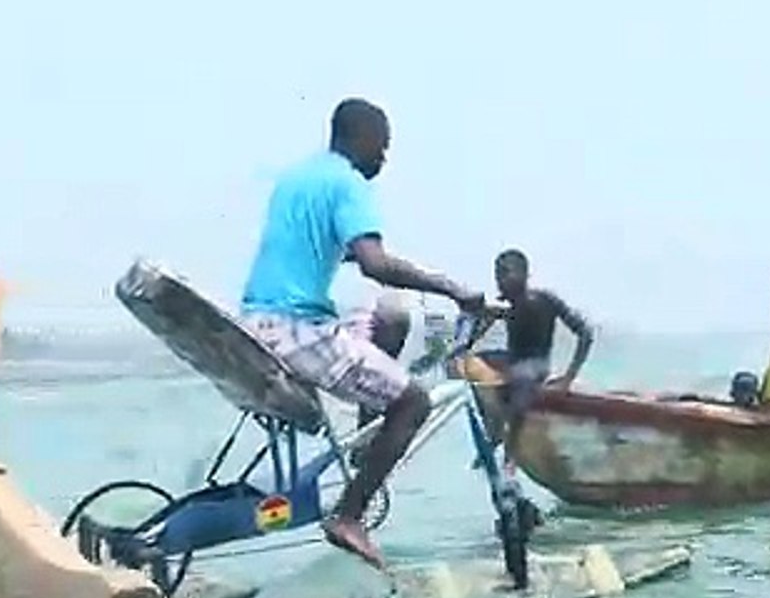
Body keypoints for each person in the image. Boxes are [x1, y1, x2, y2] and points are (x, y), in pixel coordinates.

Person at [240, 98, 485, 570]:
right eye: (382, 146)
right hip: (297, 328)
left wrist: (397, 264)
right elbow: (375, 264)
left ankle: (364, 441)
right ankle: (349, 517)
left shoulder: (296, 179)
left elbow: (336, 248)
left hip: (259, 323)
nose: (384, 158)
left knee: (374, 339)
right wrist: (452, 288)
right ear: (361, 137)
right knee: (413, 402)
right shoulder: (348, 182)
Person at [464, 249, 594, 470]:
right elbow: (477, 331)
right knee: (471, 365)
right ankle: (493, 432)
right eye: (497, 275)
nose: (500, 282)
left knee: (521, 379)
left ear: (524, 275)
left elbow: (585, 334)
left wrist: (568, 378)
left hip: (535, 365)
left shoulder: (545, 300)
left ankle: (511, 456)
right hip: (512, 361)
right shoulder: (503, 306)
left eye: (506, 274)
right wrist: (465, 343)